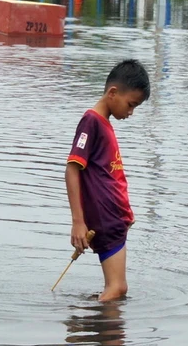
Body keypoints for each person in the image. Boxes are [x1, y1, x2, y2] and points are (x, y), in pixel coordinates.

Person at [64, 59, 151, 301]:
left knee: (117, 288)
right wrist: (78, 222)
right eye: (131, 105)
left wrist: (126, 214)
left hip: (115, 219)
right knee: (117, 288)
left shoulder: (104, 125)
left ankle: (95, 328)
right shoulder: (91, 122)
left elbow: (111, 177)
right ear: (113, 93)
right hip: (105, 219)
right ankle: (93, 335)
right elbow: (72, 169)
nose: (131, 113)